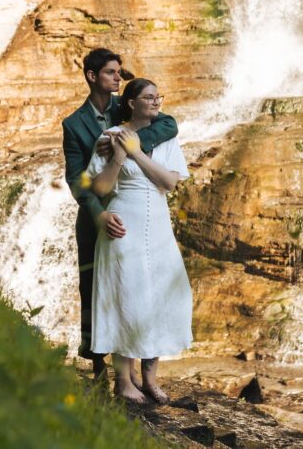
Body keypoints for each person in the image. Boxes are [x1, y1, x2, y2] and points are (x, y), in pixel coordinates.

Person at [61, 49, 178, 384]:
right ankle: (98, 366)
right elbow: (78, 178)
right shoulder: (73, 124)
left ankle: (139, 368)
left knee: (140, 286)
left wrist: (127, 142)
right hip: (96, 214)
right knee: (95, 287)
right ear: (92, 76)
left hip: (137, 212)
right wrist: (98, 215)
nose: (118, 77)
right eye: (111, 72)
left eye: (119, 72)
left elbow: (169, 123)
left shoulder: (127, 106)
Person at [87, 78, 192, 404]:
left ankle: (150, 379)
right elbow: (100, 189)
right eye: (148, 97)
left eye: (158, 96)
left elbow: (169, 183)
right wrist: (119, 157)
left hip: (159, 227)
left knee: (159, 298)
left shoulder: (167, 137)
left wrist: (136, 153)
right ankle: (123, 381)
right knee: (127, 297)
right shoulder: (109, 138)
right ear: (131, 102)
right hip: (124, 226)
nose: (156, 101)